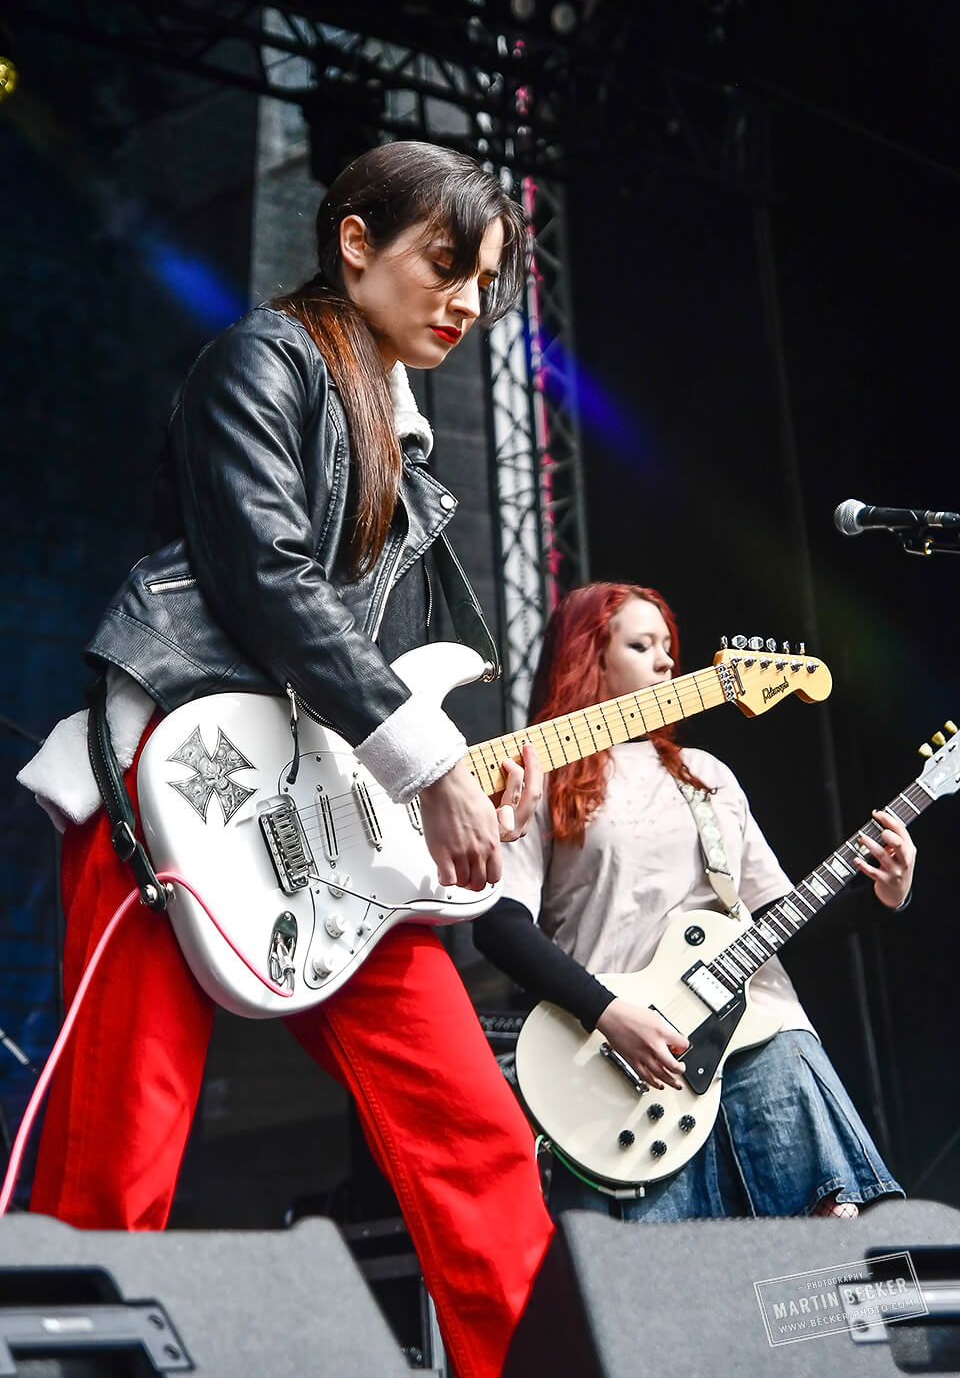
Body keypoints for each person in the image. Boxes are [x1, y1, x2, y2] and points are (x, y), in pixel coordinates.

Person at [18, 141, 553, 1378]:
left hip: (327, 842)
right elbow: (265, 572)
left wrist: (469, 769)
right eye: (447, 263)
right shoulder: (262, 360)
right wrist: (430, 766)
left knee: (475, 1136)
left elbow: (380, 678)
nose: (469, 302)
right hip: (178, 796)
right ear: (355, 243)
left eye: (485, 282)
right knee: (118, 1166)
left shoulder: (411, 468)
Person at [474, 581, 912, 1223]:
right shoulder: (538, 777)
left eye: (668, 647)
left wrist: (880, 897)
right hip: (620, 1060)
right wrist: (607, 1012)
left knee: (831, 1251)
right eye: (641, 645)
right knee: (676, 1276)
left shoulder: (706, 775)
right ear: (589, 659)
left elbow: (777, 916)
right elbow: (499, 924)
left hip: (759, 1036)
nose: (665, 661)